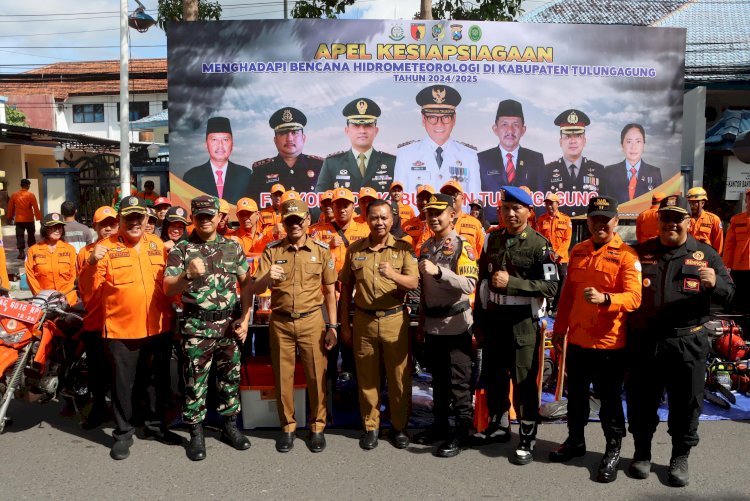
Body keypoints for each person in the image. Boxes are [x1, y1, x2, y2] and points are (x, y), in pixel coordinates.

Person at [626, 195, 734, 487]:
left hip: (687, 343)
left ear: (689, 221)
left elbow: (730, 292)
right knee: (642, 401)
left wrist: (716, 284)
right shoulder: (639, 252)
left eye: (678, 218)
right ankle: (642, 452)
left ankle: (680, 457)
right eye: (666, 218)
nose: (671, 223)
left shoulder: (706, 254)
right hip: (646, 342)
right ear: (658, 220)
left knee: (686, 403)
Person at [549, 196, 642, 483]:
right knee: (575, 397)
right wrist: (559, 330)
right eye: (595, 219)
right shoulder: (578, 251)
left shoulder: (627, 255)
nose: (600, 224)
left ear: (616, 221)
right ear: (588, 221)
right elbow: (567, 297)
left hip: (609, 344)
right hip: (577, 340)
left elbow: (634, 297)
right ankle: (575, 440)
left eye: (606, 219)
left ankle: (613, 449)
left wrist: (606, 299)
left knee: (609, 401)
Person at [78, 196, 176, 460]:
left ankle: (155, 426)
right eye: (128, 218)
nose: (134, 222)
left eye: (138, 217)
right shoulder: (104, 248)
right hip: (121, 330)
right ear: (120, 221)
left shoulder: (157, 245)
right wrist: (91, 264)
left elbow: (170, 284)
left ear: (147, 220)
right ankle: (123, 433)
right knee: (123, 385)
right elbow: (87, 293)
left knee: (156, 381)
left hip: (157, 326)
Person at [472, 186, 559, 465]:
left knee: (523, 380)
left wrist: (514, 284)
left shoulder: (540, 245)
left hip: (523, 320)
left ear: (528, 212)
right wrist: (479, 321)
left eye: (516, 208)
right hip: (495, 317)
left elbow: (551, 286)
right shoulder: (492, 239)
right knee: (495, 375)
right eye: (505, 208)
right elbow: (482, 283)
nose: (510, 213)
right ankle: (499, 426)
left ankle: (527, 434)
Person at [163, 195, 252, 461]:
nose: (205, 220)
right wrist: (186, 275)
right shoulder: (182, 249)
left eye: (209, 215)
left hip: (228, 326)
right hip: (197, 326)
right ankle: (196, 433)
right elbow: (168, 288)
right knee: (195, 382)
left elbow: (246, 284)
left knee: (230, 380)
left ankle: (229, 427)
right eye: (199, 216)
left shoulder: (232, 247)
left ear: (218, 217)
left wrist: (245, 319)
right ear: (193, 218)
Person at [250, 198, 338, 453]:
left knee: (316, 377)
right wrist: (268, 276)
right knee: (283, 377)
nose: (294, 225)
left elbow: (330, 291)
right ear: (283, 223)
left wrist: (332, 326)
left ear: (307, 221)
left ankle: (317, 427)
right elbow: (255, 287)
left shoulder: (321, 250)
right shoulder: (272, 250)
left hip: (312, 320)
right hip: (281, 322)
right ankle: (287, 427)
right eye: (289, 221)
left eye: (299, 220)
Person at [339, 199, 419, 450]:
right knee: (367, 376)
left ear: (392, 219)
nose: (380, 222)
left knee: (398, 377)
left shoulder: (404, 248)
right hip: (363, 320)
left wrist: (393, 275)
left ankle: (399, 427)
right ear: (366, 219)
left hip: (395, 318)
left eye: (384, 217)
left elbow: (414, 283)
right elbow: (346, 289)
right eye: (374, 217)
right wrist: (344, 325)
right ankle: (371, 426)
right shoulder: (355, 250)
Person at [414, 193, 478, 457]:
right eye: (430, 213)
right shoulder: (427, 247)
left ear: (452, 215)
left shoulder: (463, 245)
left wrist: (440, 272)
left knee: (459, 383)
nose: (434, 218)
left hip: (457, 324)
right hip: (433, 324)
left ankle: (463, 433)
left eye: (439, 212)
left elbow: (469, 285)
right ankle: (440, 426)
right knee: (437, 381)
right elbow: (424, 291)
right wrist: (420, 322)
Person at [309, 188, 370, 382]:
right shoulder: (317, 232)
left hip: (356, 294)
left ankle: (354, 387)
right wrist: (328, 247)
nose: (342, 209)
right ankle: (330, 389)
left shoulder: (365, 230)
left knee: (355, 343)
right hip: (327, 296)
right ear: (331, 207)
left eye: (346, 205)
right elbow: (310, 263)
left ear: (354, 207)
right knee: (329, 343)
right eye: (337, 205)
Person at [394, 85, 480, 198]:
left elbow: (476, 201)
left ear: (454, 119)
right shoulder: (405, 154)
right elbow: (400, 203)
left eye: (446, 117)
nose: (439, 124)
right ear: (423, 119)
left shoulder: (469, 156)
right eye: (432, 117)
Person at [76, 205, 118, 429]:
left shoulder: (124, 249)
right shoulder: (84, 253)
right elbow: (83, 288)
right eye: (104, 224)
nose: (109, 228)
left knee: (120, 370)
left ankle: (124, 412)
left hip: (119, 321)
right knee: (96, 370)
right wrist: (92, 261)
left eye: (112, 223)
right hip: (94, 320)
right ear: (96, 226)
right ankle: (99, 407)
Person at [478, 99, 545, 222]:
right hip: (492, 225)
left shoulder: (535, 159)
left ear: (523, 130)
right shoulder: (481, 159)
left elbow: (540, 199)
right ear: (495, 129)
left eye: (515, 124)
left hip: (524, 225)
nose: (510, 130)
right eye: (504, 124)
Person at [316, 98, 396, 193]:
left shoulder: (392, 163)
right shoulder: (332, 163)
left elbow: (401, 200)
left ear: (376, 131)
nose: (362, 131)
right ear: (347, 131)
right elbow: (319, 201)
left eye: (368, 125)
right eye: (356, 126)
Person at [538, 109, 604, 217]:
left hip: (588, 230)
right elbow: (541, 207)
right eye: (568, 136)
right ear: (560, 141)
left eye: (578, 136)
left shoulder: (599, 170)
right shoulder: (547, 171)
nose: (573, 141)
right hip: (557, 230)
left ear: (584, 140)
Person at [249, 107, 323, 201]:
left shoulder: (320, 167)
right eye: (283, 133)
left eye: (295, 132)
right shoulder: (261, 170)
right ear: (275, 140)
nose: (289, 139)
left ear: (303, 138)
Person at [183, 117, 252, 205]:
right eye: (214, 139)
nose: (220, 145)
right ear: (206, 144)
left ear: (232, 144)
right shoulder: (191, 177)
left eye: (225, 139)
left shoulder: (246, 175)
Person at [25, 213, 78, 306]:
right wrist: (41, 297)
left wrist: (64, 296)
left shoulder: (70, 249)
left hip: (67, 300)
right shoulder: (33, 250)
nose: (58, 230)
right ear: (45, 229)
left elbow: (74, 276)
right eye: (53, 227)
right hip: (43, 302)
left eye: (60, 227)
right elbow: (30, 276)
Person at [602, 124, 663, 202]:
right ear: (622, 145)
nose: (633, 147)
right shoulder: (609, 172)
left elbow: (658, 205)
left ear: (643, 145)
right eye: (629, 142)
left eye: (638, 141)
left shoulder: (654, 173)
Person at [535, 193, 572, 313]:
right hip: (547, 258)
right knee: (546, 281)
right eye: (547, 203)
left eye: (551, 203)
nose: (549, 205)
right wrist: (548, 253)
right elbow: (538, 238)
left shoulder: (566, 219)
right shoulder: (541, 219)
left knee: (562, 283)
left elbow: (567, 239)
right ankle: (544, 307)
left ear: (558, 204)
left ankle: (556, 309)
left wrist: (558, 253)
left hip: (561, 259)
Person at [439, 180, 485, 257]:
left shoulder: (475, 223)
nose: (450, 197)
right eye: (446, 194)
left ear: (463, 198)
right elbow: (424, 250)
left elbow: (482, 253)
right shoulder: (434, 222)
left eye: (454, 193)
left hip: (468, 267)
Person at [723, 188, 750, 318]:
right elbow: (729, 244)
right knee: (738, 300)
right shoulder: (736, 220)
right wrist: (726, 266)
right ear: (746, 201)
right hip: (738, 267)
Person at [7, 178, 41, 259]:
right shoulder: (31, 195)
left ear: (21, 185)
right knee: (31, 236)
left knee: (19, 236)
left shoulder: (14, 195)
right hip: (29, 219)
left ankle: (21, 253)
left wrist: (9, 217)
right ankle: (32, 252)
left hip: (19, 220)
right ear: (28, 185)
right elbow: (36, 208)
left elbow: (10, 207)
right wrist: (39, 218)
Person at [687, 187, 723, 254]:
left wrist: (716, 261)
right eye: (689, 203)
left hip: (705, 258)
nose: (691, 206)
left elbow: (718, 244)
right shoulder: (684, 219)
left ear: (702, 203)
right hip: (687, 257)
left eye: (694, 203)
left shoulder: (714, 220)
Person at [402, 184, 435, 255]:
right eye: (421, 199)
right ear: (416, 202)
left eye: (428, 199)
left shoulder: (442, 225)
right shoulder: (406, 226)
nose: (424, 202)